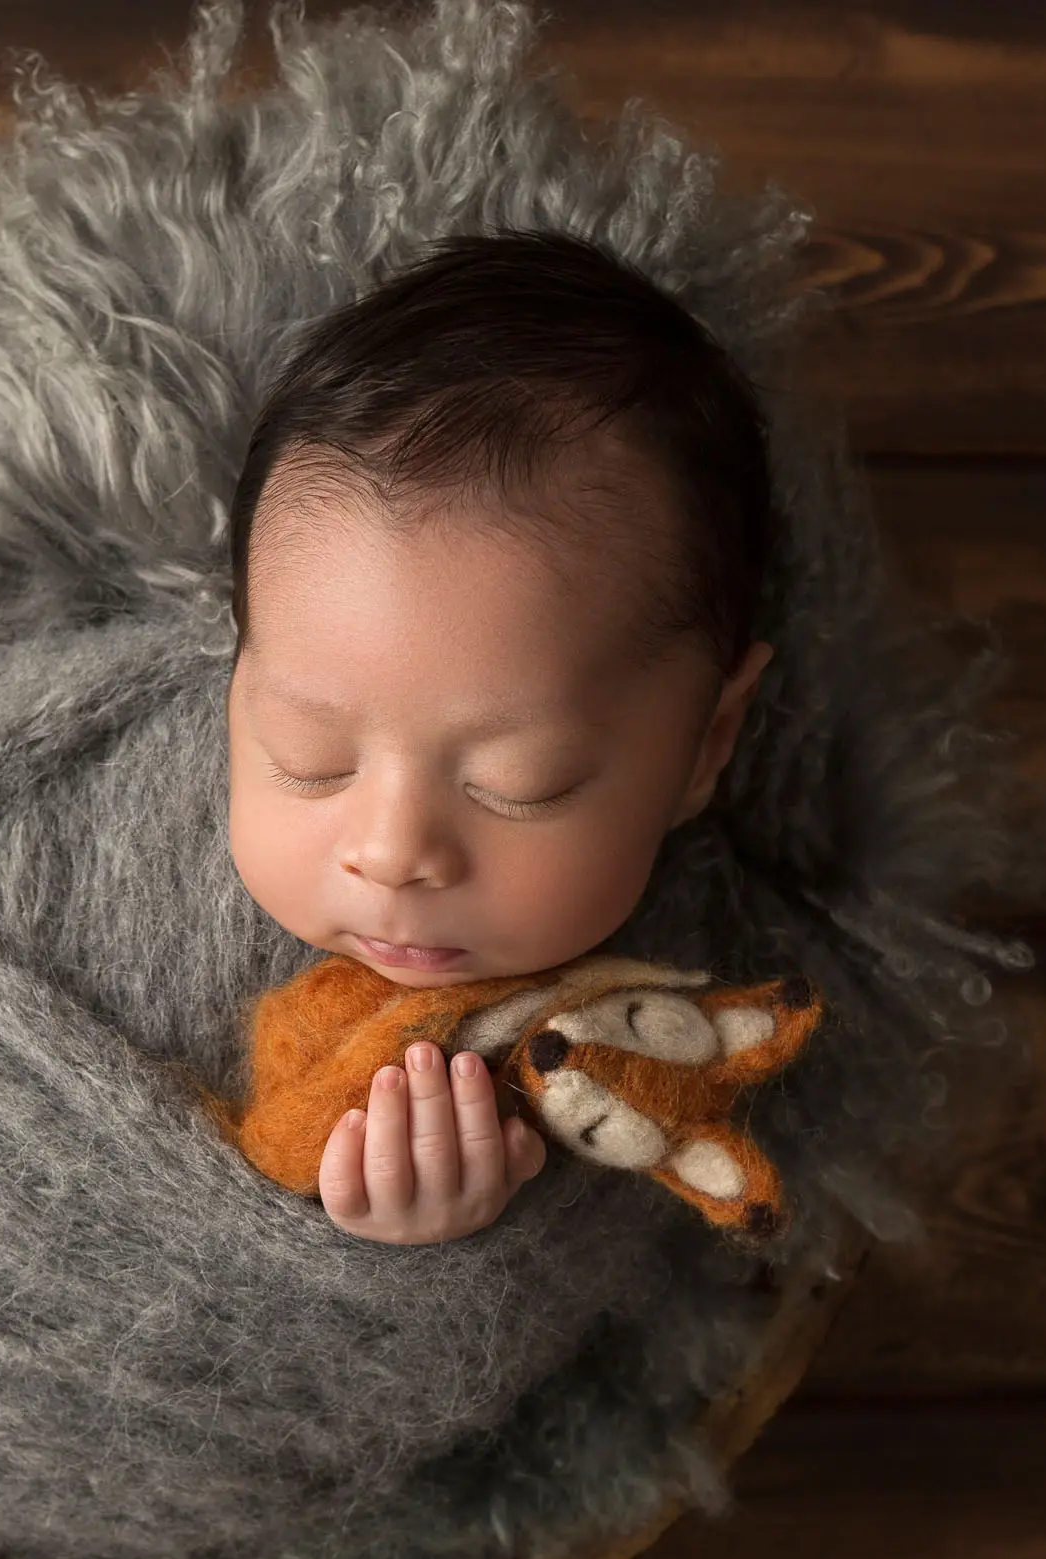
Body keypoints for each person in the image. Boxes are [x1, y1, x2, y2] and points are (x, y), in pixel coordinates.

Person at [218, 225, 788, 1246]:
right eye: (309, 758)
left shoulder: (665, 1032)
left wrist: (424, 1250)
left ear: (710, 742)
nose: (391, 851)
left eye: (517, 783)